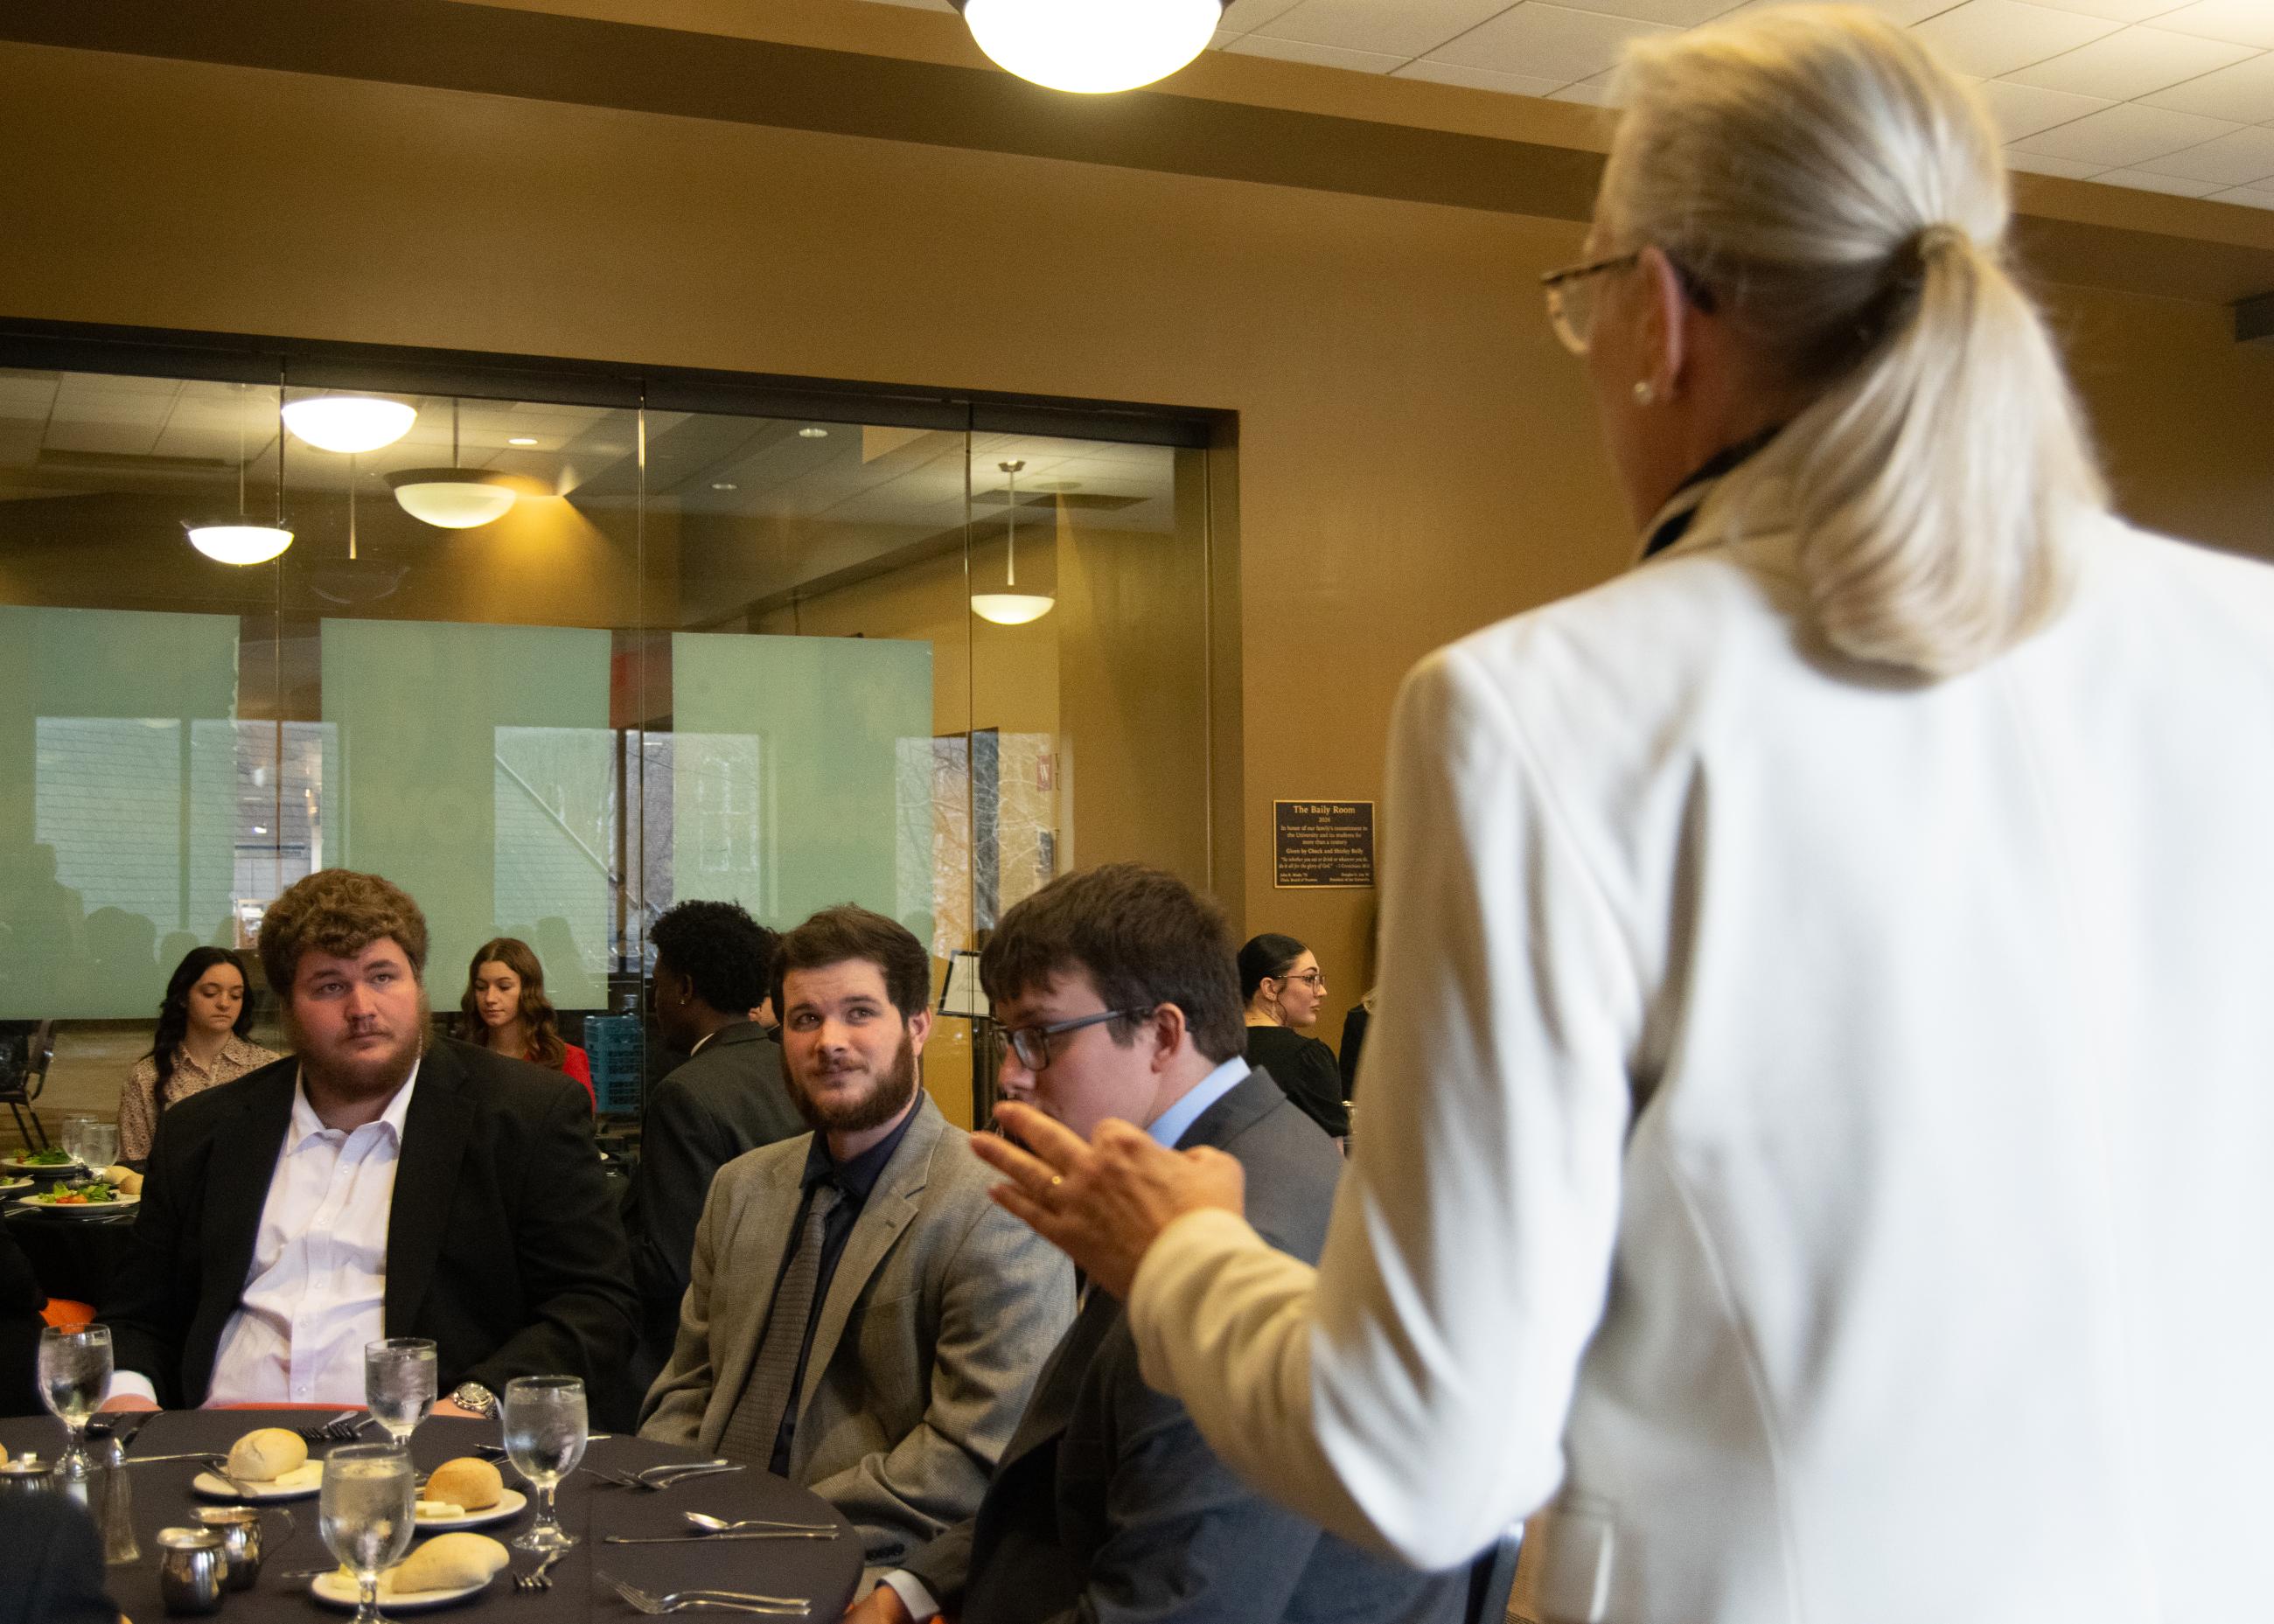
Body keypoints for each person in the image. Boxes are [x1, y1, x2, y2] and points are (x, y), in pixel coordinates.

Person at [966, 10, 2274, 1621]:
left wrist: (1185, 1254)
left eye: (1581, 298)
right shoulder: (2247, 650)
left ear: (1653, 316)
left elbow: (1425, 1453)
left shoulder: (1544, 710)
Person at [858, 864, 1461, 1624]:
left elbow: (1175, 1608)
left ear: (1163, 1034)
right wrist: (917, 1584)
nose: (1011, 1075)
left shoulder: (1243, 1232)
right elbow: (1072, 1462)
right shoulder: (1215, 1160)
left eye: (1041, 1037)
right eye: (1009, 1040)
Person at [95, 868, 638, 1418]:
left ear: (419, 986)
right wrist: (131, 1399)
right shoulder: (202, 1130)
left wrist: (479, 1402)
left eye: (383, 977)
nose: (362, 1008)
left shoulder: (524, 1116)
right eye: (330, 986)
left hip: (431, 1458)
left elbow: (594, 1307)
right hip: (215, 1458)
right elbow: (137, 1316)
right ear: (286, 1007)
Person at [639, 904, 1072, 1575]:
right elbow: (687, 1387)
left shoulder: (996, 1203)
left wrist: (772, 1530)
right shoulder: (739, 1188)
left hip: (867, 1567)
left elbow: (972, 1451)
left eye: (860, 1013)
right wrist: (666, 1502)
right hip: (689, 1546)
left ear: (919, 1026)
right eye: (806, 1018)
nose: (828, 1041)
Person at [620, 901, 801, 1387]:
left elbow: (671, 1263)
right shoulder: (790, 1071)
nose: (653, 1002)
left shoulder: (684, 1093)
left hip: (697, 1364)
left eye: (657, 985)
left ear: (684, 989)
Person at [116, 946, 279, 1163]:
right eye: (210, 993)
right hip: (169, 1195)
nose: (224, 1003)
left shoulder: (268, 1068)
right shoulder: (147, 1076)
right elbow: (134, 1165)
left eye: (235, 995)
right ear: (183, 997)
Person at [453, 937, 593, 1110]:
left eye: (504, 987)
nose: (490, 998)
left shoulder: (565, 1059)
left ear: (528, 990)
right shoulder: (461, 1059)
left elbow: (578, 1129)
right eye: (481, 987)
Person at [1237, 934, 1346, 1141]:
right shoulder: (1308, 1058)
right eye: (1309, 979)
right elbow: (1332, 1161)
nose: (1322, 991)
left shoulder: (1210, 1049)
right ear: (1270, 988)